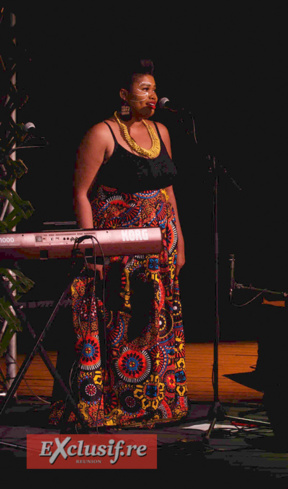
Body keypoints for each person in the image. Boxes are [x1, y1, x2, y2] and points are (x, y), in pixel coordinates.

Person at [50, 59, 188, 428]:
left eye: (154, 89)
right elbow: (81, 193)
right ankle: (112, 406)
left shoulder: (161, 130)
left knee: (154, 324)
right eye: (145, 89)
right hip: (117, 249)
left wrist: (180, 238)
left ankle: (154, 403)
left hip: (160, 245)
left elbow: (167, 188)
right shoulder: (102, 133)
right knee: (118, 322)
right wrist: (90, 246)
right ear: (125, 95)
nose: (153, 96)